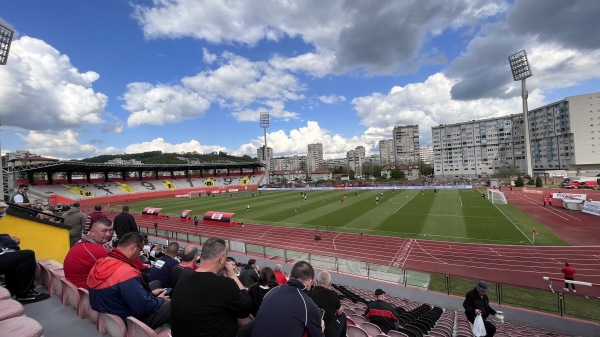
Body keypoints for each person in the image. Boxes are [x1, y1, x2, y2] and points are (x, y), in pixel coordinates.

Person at [170, 238, 252, 337]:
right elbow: (246, 309)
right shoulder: (225, 284)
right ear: (221, 258)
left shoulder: (184, 276)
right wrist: (233, 276)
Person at [87, 232, 171, 329]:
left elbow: (118, 292)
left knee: (154, 285)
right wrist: (160, 299)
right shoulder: (126, 273)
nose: (138, 255)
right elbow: (143, 307)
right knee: (172, 304)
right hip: (130, 322)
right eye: (139, 250)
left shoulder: (100, 263)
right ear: (133, 248)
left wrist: (151, 294)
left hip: (109, 314)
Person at [252, 261, 325, 337]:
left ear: (290, 277)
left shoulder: (271, 292)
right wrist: (321, 330)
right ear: (309, 282)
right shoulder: (308, 305)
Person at [63, 218, 113, 288]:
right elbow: (117, 269)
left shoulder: (81, 242)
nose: (108, 234)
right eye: (104, 231)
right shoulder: (97, 249)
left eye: (110, 231)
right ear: (92, 233)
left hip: (73, 289)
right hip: (86, 290)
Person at [308, 271, 343, 337]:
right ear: (330, 284)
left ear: (316, 281)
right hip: (328, 332)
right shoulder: (334, 295)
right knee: (342, 316)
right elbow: (339, 312)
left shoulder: (309, 293)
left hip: (310, 330)